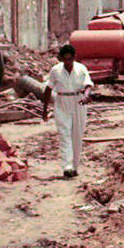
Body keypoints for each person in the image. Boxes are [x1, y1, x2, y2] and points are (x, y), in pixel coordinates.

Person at [42, 44, 94, 179]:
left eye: (70, 59)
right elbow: (48, 89)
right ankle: (67, 166)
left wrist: (87, 95)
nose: (68, 62)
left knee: (77, 135)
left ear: (74, 58)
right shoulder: (55, 71)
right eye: (65, 60)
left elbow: (88, 84)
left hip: (78, 101)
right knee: (64, 134)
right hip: (62, 102)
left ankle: (75, 167)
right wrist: (45, 109)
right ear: (61, 59)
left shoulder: (81, 69)